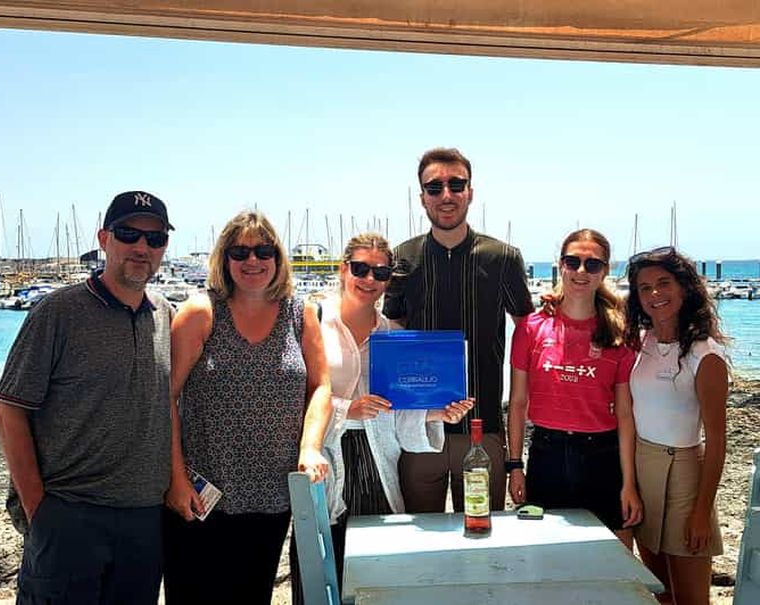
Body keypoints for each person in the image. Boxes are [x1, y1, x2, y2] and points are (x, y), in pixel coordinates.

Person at [0, 190, 175, 604]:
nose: (142, 247)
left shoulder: (165, 314)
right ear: (104, 239)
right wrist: (39, 509)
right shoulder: (58, 312)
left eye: (155, 238)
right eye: (128, 234)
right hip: (69, 514)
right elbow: (9, 411)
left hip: (144, 520)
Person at [290, 233, 473, 603]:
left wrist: (436, 412)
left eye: (381, 272)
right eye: (361, 269)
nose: (370, 279)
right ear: (343, 269)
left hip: (379, 462)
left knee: (377, 574)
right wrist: (348, 409)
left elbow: (401, 413)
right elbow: (293, 396)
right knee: (319, 564)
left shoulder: (395, 336)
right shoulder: (314, 323)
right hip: (326, 459)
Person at [163, 210, 331, 604]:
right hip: (202, 495)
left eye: (263, 251)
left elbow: (320, 387)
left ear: (277, 257)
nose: (252, 260)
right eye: (239, 252)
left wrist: (310, 447)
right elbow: (165, 398)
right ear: (224, 259)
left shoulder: (299, 313)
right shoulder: (201, 313)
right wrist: (176, 479)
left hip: (273, 496)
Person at [383, 147, 534, 513]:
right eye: (434, 188)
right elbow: (392, 335)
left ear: (470, 192)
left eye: (456, 184)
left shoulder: (503, 258)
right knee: (422, 536)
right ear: (422, 198)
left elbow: (530, 333)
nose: (446, 195)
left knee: (482, 534)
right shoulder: (402, 258)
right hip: (419, 430)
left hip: (483, 426)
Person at [507, 228, 642, 548]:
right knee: (547, 556)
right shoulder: (531, 328)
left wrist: (629, 484)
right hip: (547, 455)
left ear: (604, 271)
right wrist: (515, 466)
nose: (581, 271)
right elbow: (517, 402)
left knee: (615, 557)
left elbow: (625, 414)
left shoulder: (620, 334)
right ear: (561, 265)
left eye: (592, 264)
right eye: (573, 262)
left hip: (603, 456)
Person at [626, 246, 728, 605]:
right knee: (659, 592)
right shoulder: (640, 343)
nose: (655, 293)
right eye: (645, 287)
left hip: (685, 474)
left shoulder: (705, 354)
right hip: (643, 470)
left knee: (691, 598)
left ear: (684, 288)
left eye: (664, 283)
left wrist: (701, 511)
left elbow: (717, 440)